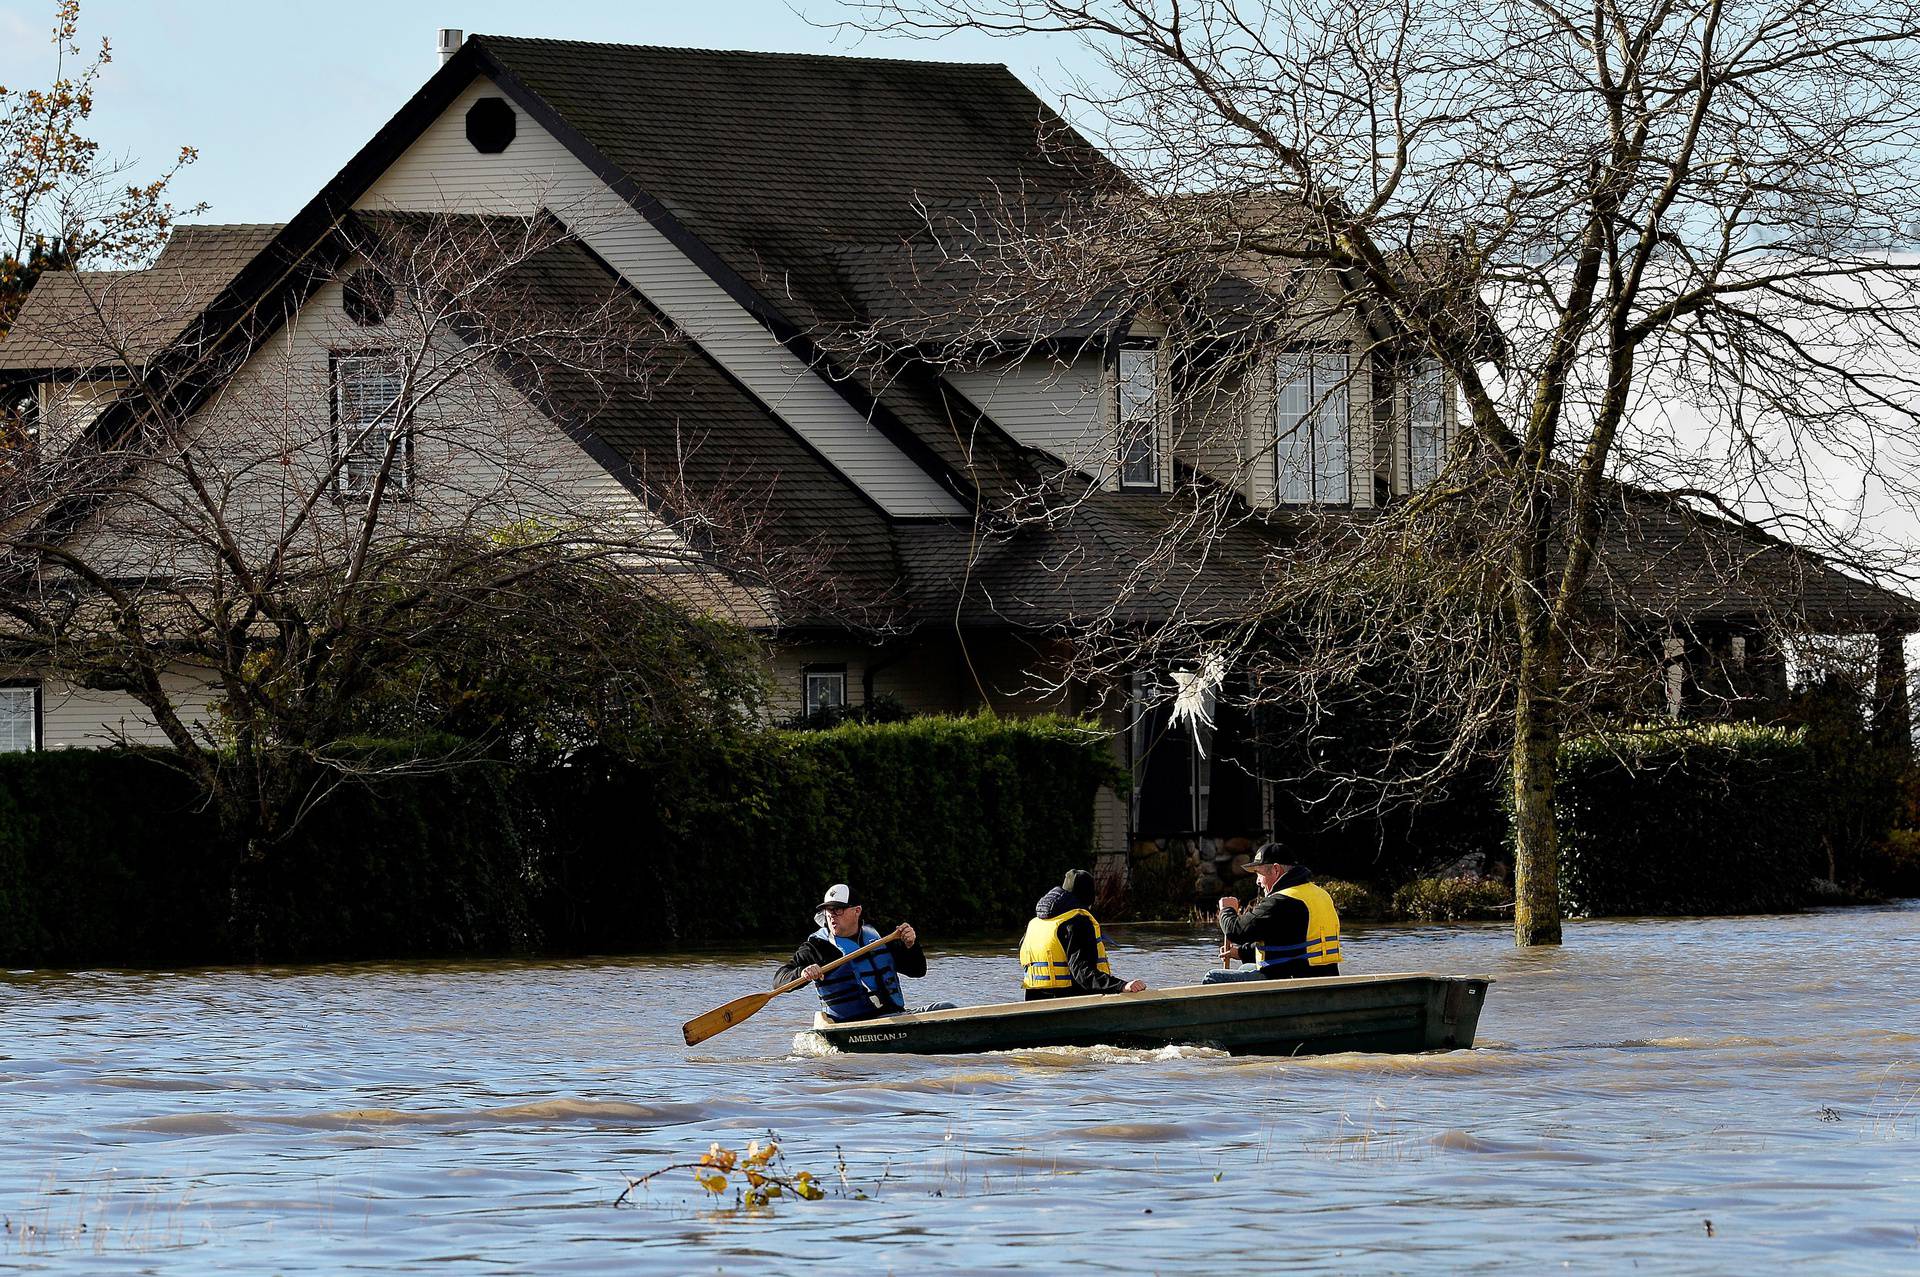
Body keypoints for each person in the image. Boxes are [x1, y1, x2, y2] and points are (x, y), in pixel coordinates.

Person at [774, 883, 949, 1022]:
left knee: (947, 1008)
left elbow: (917, 971)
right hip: (853, 1025)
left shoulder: (879, 937)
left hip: (894, 1018)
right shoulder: (817, 947)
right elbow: (779, 980)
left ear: (857, 911)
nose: (831, 916)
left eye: (838, 910)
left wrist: (911, 945)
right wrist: (802, 973)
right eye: (828, 910)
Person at [1204, 844, 1342, 984]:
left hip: (1293, 982)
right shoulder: (1319, 894)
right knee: (1246, 966)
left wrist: (1227, 910)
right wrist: (1241, 953)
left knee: (1213, 977)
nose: (1258, 881)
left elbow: (1236, 931)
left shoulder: (1281, 901)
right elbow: (1289, 941)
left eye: (1259, 873)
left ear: (1276, 869)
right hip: (1324, 979)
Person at [1019, 869, 1148, 999]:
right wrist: (1122, 986)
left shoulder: (1035, 923)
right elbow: (1083, 973)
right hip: (1067, 1004)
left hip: (1034, 1001)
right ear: (1089, 897)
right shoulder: (1078, 923)